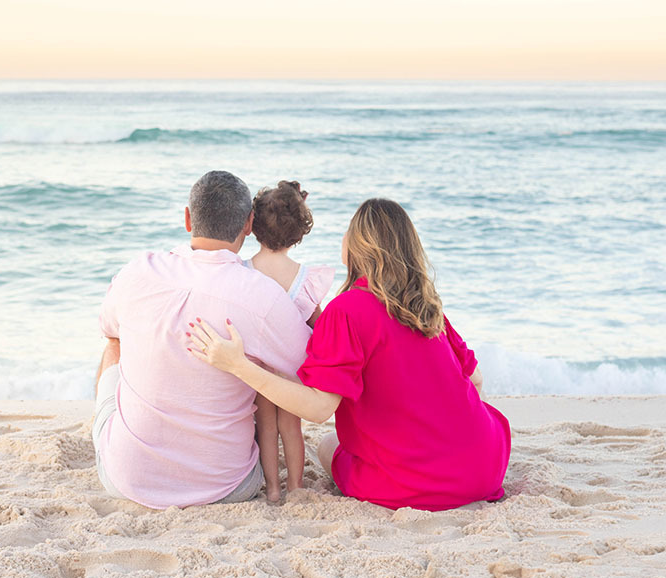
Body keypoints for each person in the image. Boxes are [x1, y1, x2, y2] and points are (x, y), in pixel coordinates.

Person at [187, 198, 511, 511]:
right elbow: (476, 379)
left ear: (355, 246)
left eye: (348, 231)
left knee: (329, 444)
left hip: (412, 484)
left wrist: (238, 365)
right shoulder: (425, 306)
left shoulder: (346, 310)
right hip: (485, 467)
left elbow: (318, 408)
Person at [95, 171, 311, 508]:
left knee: (115, 343)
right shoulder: (262, 295)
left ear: (187, 218)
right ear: (248, 224)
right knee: (263, 363)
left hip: (127, 480)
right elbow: (310, 364)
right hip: (227, 485)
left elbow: (108, 329)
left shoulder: (137, 272)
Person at [244, 180, 335, 501]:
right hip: (294, 369)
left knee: (265, 428)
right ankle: (295, 486)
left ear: (253, 226)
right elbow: (321, 325)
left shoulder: (243, 272)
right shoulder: (304, 278)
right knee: (291, 427)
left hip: (258, 368)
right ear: (298, 232)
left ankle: (271, 489)